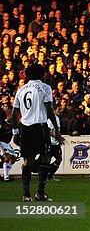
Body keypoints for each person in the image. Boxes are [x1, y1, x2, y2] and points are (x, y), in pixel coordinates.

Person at [9, 64, 64, 201]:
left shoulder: (21, 90)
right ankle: (40, 192)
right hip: (40, 126)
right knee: (45, 157)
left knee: (28, 160)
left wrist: (15, 132)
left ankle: (26, 194)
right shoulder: (45, 88)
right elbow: (49, 109)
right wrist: (56, 129)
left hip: (25, 127)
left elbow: (14, 113)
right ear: (41, 74)